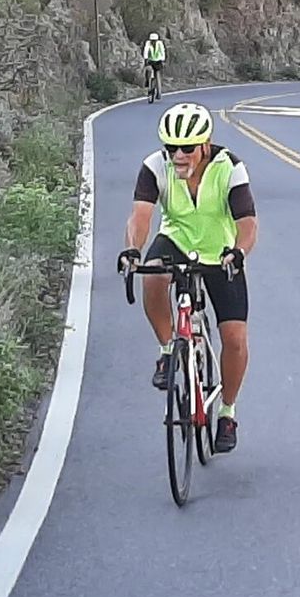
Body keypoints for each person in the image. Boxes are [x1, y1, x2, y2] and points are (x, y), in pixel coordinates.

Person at [119, 103, 256, 454]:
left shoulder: (230, 168)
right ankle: (168, 349)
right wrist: (132, 250)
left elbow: (247, 224)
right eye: (171, 147)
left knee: (235, 338)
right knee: (152, 276)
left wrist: (239, 251)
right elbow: (140, 216)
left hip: (220, 252)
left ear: (205, 145)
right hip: (176, 240)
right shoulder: (155, 167)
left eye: (187, 147)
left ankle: (227, 412)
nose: (178, 155)